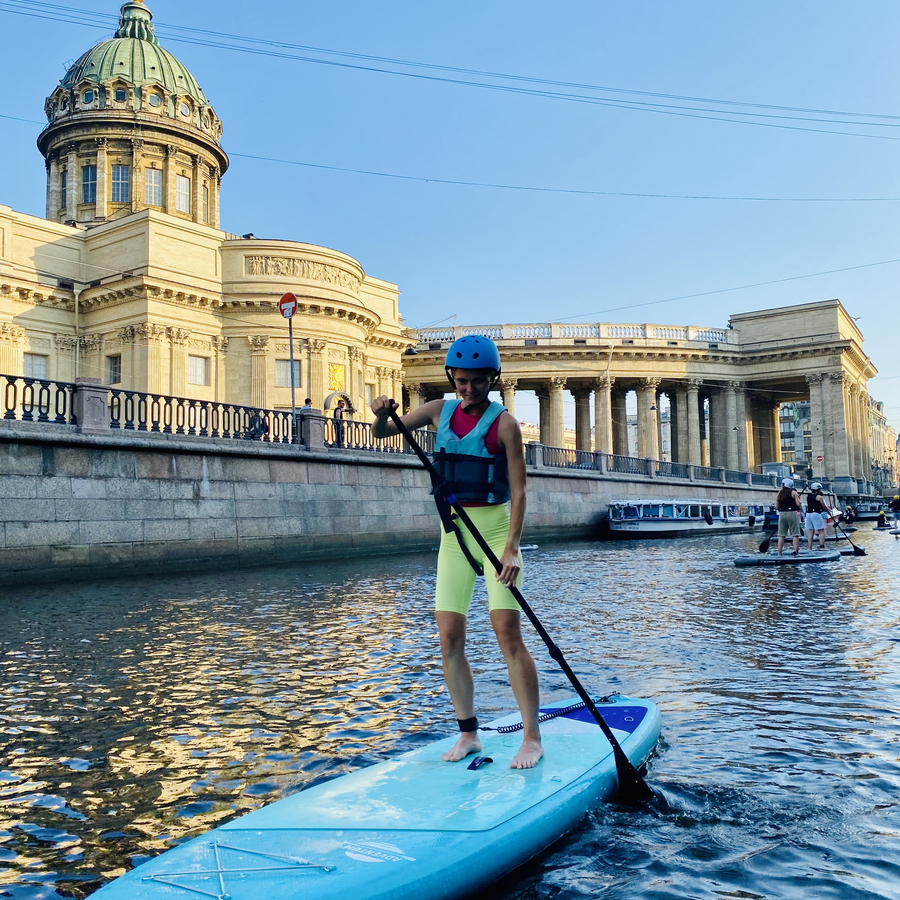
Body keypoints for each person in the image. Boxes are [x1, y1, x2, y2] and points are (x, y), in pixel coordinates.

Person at [370, 335, 543, 769]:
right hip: (454, 536)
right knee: (448, 637)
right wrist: (381, 412)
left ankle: (532, 738)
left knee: (508, 635)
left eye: (478, 381)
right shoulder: (438, 411)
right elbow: (384, 432)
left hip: (496, 537)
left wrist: (512, 550)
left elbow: (520, 492)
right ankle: (468, 733)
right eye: (462, 381)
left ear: (492, 379)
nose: (468, 388)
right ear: (452, 378)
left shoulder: (505, 425)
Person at [775, 477, 803, 556]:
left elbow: (777, 506)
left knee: (781, 534)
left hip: (782, 514)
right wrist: (798, 500)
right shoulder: (793, 492)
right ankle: (795, 551)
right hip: (791, 513)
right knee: (795, 534)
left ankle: (779, 553)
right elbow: (798, 504)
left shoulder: (779, 493)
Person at [805, 483, 829, 551]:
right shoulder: (819, 497)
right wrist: (827, 510)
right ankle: (822, 546)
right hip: (816, 514)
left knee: (811, 531)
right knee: (821, 530)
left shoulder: (808, 496)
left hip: (808, 514)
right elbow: (823, 506)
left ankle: (809, 547)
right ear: (818, 489)